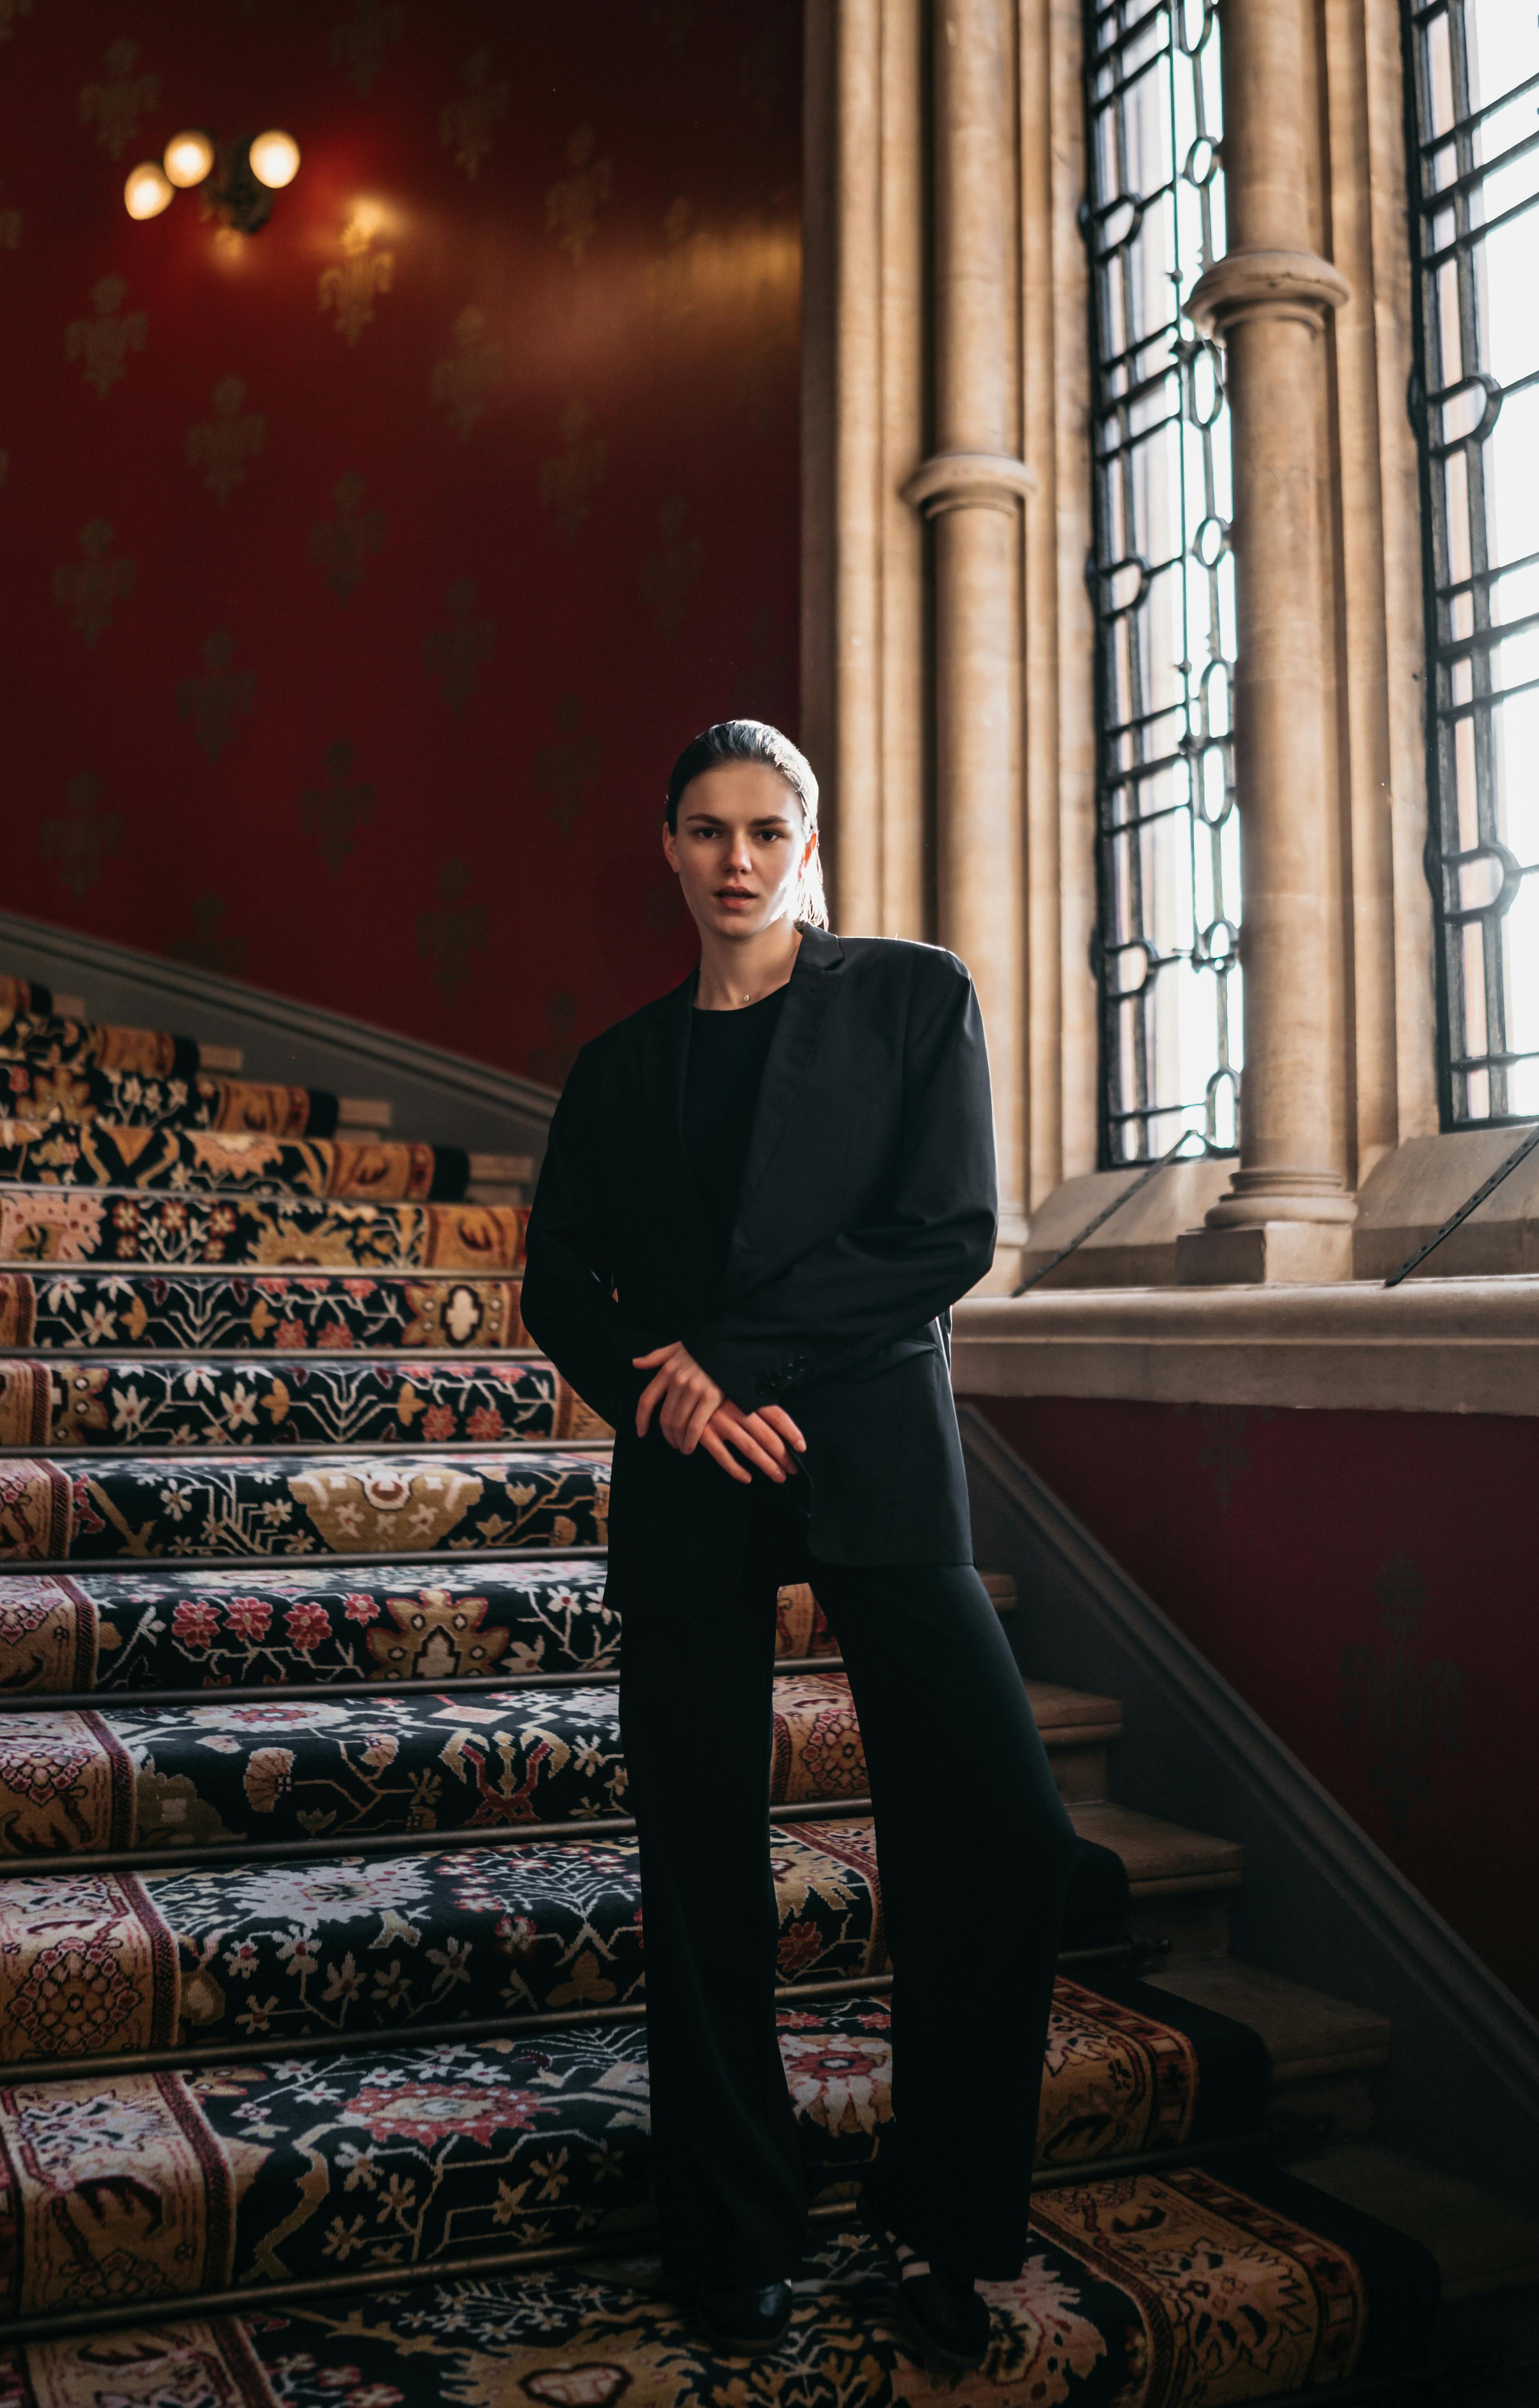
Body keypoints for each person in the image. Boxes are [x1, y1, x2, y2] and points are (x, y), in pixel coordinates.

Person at [521, 719, 1076, 2369]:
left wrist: (738, 1365)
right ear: (669, 847)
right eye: (707, 830)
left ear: (812, 841)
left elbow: (944, 1232)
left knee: (1003, 1824)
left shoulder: (915, 997)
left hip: (870, 1454)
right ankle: (732, 2228)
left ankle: (950, 2223)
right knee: (700, 1858)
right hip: (692, 1468)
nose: (739, 861)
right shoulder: (622, 1068)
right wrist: (670, 1403)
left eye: (770, 830)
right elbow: (561, 1284)